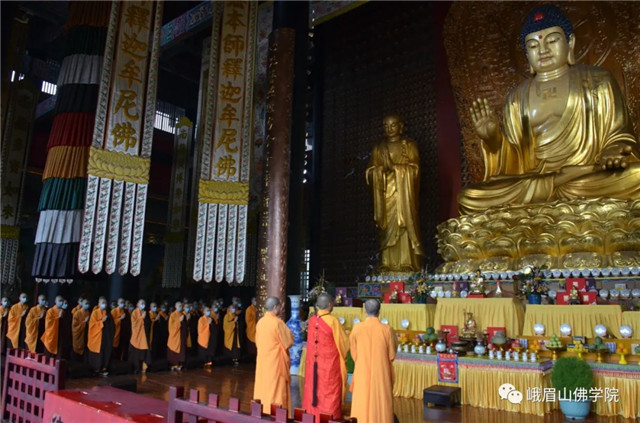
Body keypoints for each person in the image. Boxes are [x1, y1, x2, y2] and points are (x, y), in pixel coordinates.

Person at [458, 4, 640, 215]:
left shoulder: (599, 81)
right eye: (533, 45)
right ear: (527, 55)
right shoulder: (516, 98)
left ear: (570, 42)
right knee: (469, 197)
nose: (543, 50)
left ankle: (557, 195)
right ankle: (560, 192)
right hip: (538, 181)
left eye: (552, 40)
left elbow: (620, 135)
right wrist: (493, 140)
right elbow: (516, 163)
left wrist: (613, 149)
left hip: (586, 178)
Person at [366, 114, 424, 271]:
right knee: (386, 228)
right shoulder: (379, 148)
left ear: (401, 127)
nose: (389, 129)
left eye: (393, 125)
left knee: (404, 224)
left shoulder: (409, 145)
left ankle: (407, 263)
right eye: (386, 126)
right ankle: (387, 263)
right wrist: (379, 171)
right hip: (385, 194)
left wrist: (396, 168)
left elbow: (415, 169)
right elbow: (369, 172)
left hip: (404, 193)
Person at [302, 293, 349, 421]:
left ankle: (313, 416)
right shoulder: (333, 321)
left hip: (313, 364)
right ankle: (329, 417)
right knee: (329, 390)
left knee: (314, 388)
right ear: (330, 304)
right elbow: (344, 344)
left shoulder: (312, 320)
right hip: (329, 365)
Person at [349, 299, 397, 423]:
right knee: (381, 401)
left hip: (362, 370)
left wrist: (362, 360)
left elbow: (354, 353)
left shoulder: (357, 328)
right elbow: (392, 354)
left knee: (361, 399)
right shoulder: (387, 330)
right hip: (381, 372)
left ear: (365, 311)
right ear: (379, 311)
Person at [253, 297, 293, 414]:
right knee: (276, 390)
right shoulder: (277, 323)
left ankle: (263, 411)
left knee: (264, 387)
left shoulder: (260, 322)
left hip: (263, 362)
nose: (281, 309)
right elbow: (289, 341)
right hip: (275, 364)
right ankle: (276, 414)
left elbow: (257, 342)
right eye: (280, 306)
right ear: (275, 307)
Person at [87, 297, 115, 376]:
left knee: (105, 352)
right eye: (102, 303)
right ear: (99, 304)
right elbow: (92, 325)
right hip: (97, 337)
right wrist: (101, 322)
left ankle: (103, 369)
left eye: (105, 303)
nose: (104, 304)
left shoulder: (108, 314)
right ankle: (96, 370)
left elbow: (112, 326)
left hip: (105, 337)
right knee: (97, 355)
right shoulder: (95, 313)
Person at [129, 299, 151, 373]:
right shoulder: (134, 312)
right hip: (137, 336)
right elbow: (134, 324)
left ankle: (143, 367)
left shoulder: (146, 312)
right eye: (141, 303)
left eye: (144, 303)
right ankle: (136, 368)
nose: (143, 305)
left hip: (144, 336)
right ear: (137, 304)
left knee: (144, 352)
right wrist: (141, 318)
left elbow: (148, 324)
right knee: (136, 353)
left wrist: (144, 318)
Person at [167, 301, 188, 371]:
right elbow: (171, 327)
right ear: (175, 307)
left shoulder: (183, 315)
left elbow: (185, 326)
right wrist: (179, 321)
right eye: (179, 306)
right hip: (175, 337)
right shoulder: (172, 315)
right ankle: (173, 365)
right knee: (173, 350)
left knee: (182, 350)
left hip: (181, 336)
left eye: (181, 306)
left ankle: (180, 364)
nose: (180, 307)